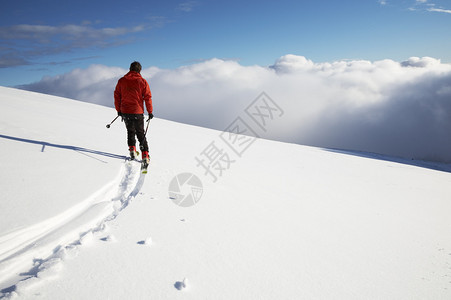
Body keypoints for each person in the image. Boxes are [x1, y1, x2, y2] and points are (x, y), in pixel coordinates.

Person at [114, 61, 153, 165]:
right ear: (139, 70)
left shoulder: (121, 81)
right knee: (141, 133)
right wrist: (150, 112)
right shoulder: (142, 81)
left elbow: (117, 95)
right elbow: (147, 97)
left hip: (125, 112)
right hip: (137, 111)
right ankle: (145, 155)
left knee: (130, 131)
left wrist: (118, 110)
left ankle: (132, 151)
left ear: (130, 69)